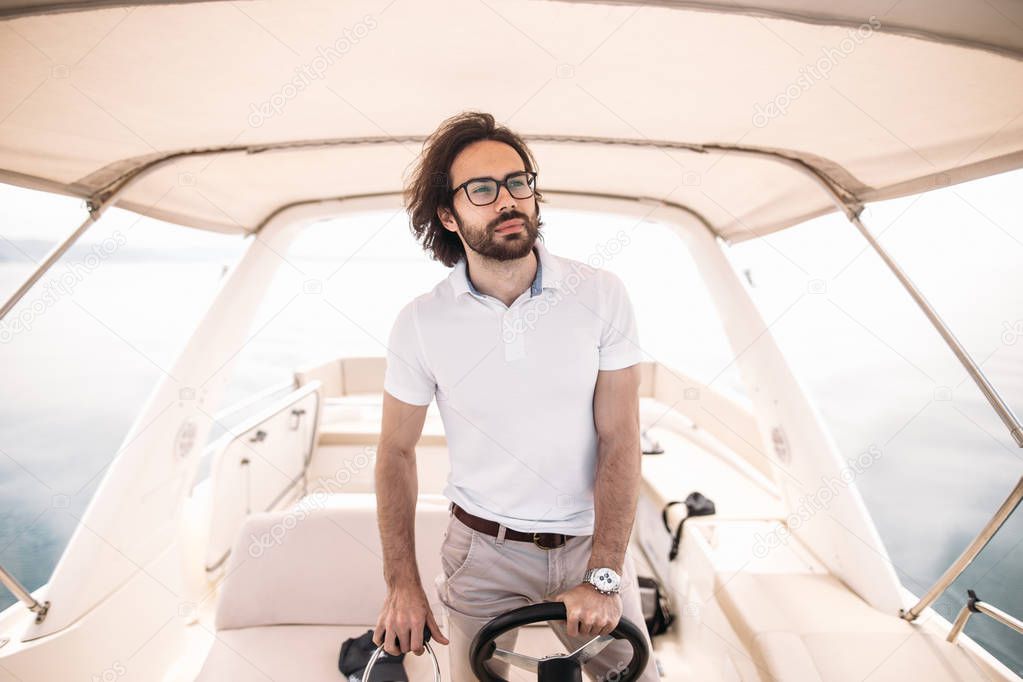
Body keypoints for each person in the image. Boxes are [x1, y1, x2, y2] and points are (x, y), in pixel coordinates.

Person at [372, 111, 658, 681]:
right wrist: (402, 583)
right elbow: (394, 455)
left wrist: (604, 573)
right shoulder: (421, 323)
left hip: (589, 542)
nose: (507, 200)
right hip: (482, 552)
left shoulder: (599, 295)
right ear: (448, 215)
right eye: (481, 189)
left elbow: (620, 437)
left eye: (517, 182)